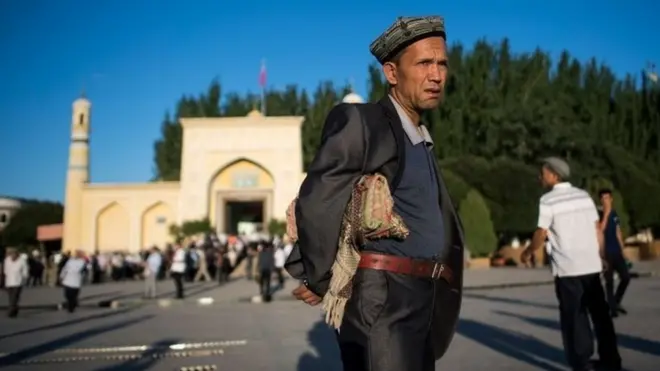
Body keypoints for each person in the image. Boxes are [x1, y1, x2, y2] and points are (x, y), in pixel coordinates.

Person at [288, 16, 464, 371]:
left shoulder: (422, 142)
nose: (436, 75)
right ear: (392, 73)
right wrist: (318, 276)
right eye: (424, 63)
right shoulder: (363, 122)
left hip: (424, 300)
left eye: (442, 63)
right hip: (381, 298)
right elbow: (320, 197)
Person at [521, 157, 622, 371]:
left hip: (568, 269)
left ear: (554, 175)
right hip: (591, 266)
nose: (540, 176)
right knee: (600, 315)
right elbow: (597, 230)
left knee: (575, 316)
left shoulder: (548, 201)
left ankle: (582, 362)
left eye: (543, 172)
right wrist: (603, 256)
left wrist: (529, 251)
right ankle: (611, 360)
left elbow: (541, 232)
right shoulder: (584, 196)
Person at [598, 189, 631, 318]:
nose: (605, 200)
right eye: (603, 198)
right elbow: (600, 230)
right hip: (606, 252)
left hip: (616, 251)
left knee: (626, 277)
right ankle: (612, 309)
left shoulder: (615, 214)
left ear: (611, 199)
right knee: (609, 281)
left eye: (607, 198)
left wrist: (622, 249)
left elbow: (618, 231)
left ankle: (616, 301)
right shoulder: (600, 214)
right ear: (600, 200)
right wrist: (605, 214)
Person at [3, 247, 28, 318]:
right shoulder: (7, 260)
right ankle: (15, 309)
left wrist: (23, 279)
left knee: (14, 297)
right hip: (9, 282)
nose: (12, 256)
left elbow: (25, 271)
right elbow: (5, 270)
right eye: (11, 254)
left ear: (17, 254)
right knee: (11, 298)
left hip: (18, 282)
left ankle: (10, 311)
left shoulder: (22, 261)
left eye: (13, 254)